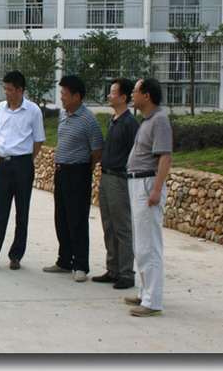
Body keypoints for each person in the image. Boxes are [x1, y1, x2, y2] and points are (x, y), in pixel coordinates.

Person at [0, 71, 44, 271]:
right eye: (4, 88)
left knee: (22, 212)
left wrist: (27, 160)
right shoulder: (1, 109)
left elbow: (38, 140)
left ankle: (16, 255)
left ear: (20, 90)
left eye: (9, 89)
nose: (6, 92)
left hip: (23, 165)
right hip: (3, 164)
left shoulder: (33, 111)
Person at [43, 75, 104, 283]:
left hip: (78, 173)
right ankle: (64, 261)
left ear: (77, 96)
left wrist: (84, 167)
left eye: (64, 94)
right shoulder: (63, 114)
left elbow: (97, 149)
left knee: (77, 219)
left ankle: (80, 265)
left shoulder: (88, 119)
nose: (61, 98)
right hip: (61, 171)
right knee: (61, 218)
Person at [124, 78, 173, 317]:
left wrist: (156, 189)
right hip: (137, 182)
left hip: (147, 183)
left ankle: (153, 302)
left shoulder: (160, 120)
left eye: (135, 91)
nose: (132, 94)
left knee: (150, 245)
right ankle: (145, 292)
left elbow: (165, 156)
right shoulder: (147, 120)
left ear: (147, 95)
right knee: (141, 243)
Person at [92, 78, 139, 289]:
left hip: (119, 180)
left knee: (122, 227)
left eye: (112, 92)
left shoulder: (130, 123)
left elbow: (135, 153)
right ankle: (113, 269)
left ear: (123, 97)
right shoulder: (113, 120)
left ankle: (126, 273)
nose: (109, 96)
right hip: (106, 177)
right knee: (109, 226)